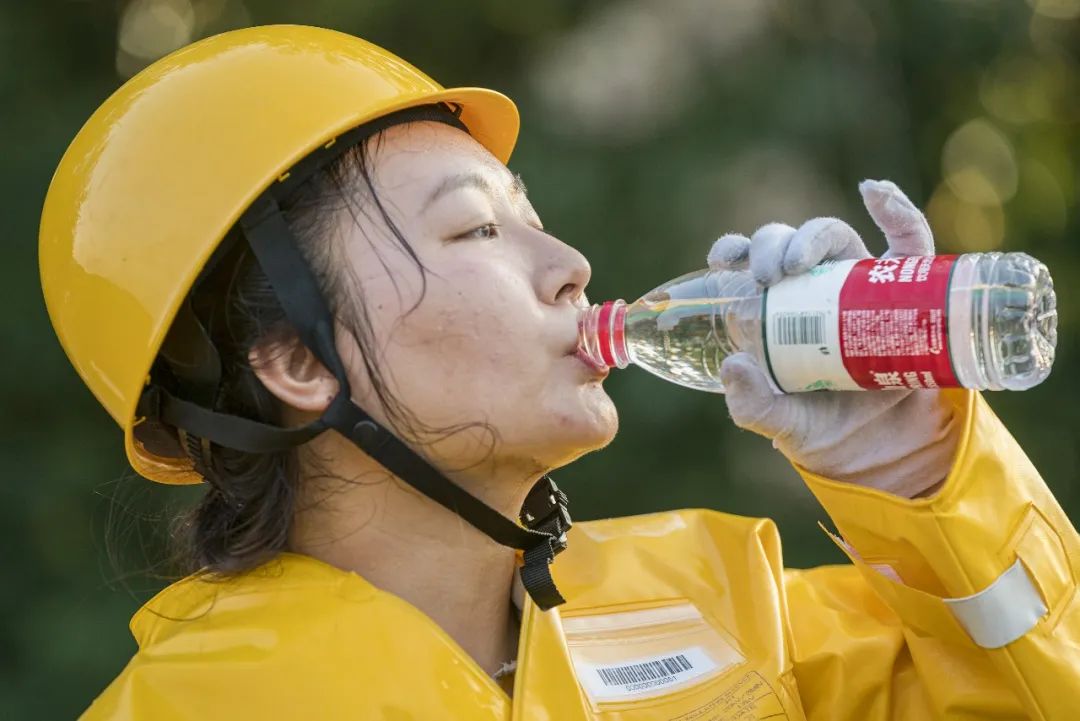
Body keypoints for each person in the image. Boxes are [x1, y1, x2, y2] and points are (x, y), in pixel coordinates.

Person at [39, 25, 1078, 720]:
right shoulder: (191, 707)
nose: (572, 265)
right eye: (477, 229)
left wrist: (914, 473)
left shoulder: (725, 602)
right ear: (300, 360)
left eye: (533, 216)